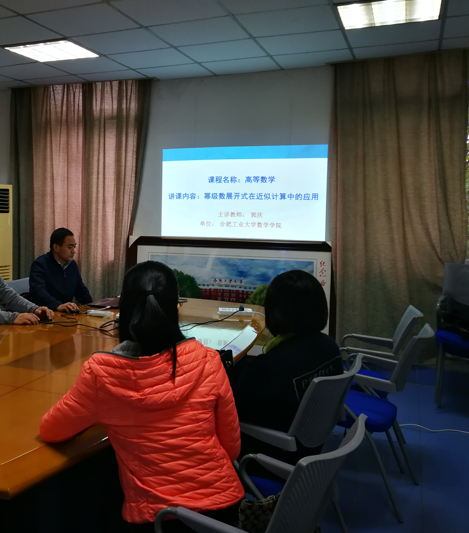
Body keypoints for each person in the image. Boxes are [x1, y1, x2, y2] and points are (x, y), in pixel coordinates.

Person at [40, 261, 243, 530]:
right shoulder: (209, 360)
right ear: (175, 308)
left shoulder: (102, 374)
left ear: (123, 311)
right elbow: (231, 448)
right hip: (224, 510)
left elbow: (51, 430)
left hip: (159, 518)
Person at [232, 269, 343, 464]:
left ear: (275, 312)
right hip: (312, 444)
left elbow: (235, 410)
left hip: (274, 455)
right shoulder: (330, 347)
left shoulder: (271, 366)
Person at [27, 227, 93, 312]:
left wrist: (92, 307)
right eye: (70, 247)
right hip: (45, 312)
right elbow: (38, 291)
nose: (73, 251)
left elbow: (80, 290)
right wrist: (57, 305)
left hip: (65, 313)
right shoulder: (40, 264)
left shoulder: (72, 264)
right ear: (56, 247)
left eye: (74, 247)